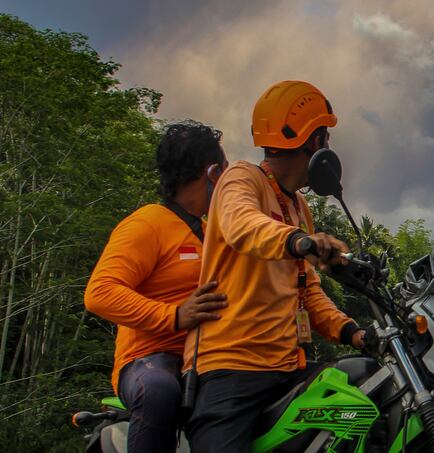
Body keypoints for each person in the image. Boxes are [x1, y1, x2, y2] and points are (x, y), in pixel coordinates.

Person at [184, 80, 365, 452]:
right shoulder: (242, 179)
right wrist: (298, 241)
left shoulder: (299, 207)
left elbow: (307, 290)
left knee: (363, 410)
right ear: (314, 141)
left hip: (287, 366)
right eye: (326, 136)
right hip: (230, 369)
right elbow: (240, 224)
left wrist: (352, 332)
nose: (328, 147)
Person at [84, 121, 229, 453]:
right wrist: (175, 316)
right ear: (211, 172)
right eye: (225, 172)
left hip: (208, 356)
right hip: (148, 360)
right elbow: (100, 293)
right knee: (159, 391)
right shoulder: (147, 223)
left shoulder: (211, 233)